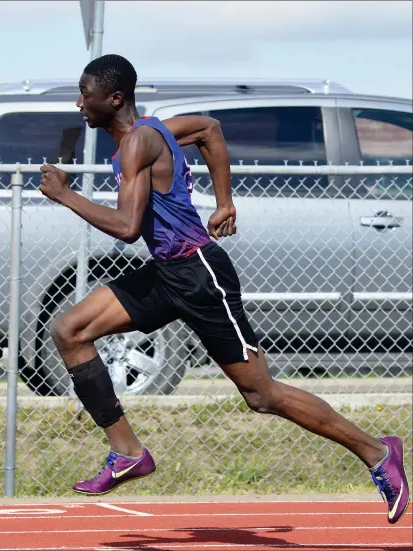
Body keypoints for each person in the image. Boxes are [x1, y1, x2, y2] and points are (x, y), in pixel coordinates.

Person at [39, 54, 409, 524]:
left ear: (114, 98)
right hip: (166, 273)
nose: (78, 103)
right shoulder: (158, 130)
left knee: (261, 395)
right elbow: (210, 129)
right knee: (70, 331)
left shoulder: (138, 143)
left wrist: (66, 195)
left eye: (84, 94)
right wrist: (224, 202)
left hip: (199, 277)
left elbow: (128, 227)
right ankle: (128, 451)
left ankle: (378, 452)